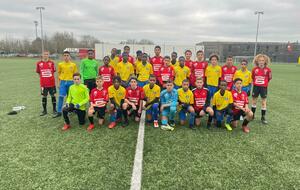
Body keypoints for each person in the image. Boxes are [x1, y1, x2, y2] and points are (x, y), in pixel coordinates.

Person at [53, 51, 78, 118]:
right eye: (65, 55)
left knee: (71, 97)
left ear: (69, 56)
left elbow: (75, 75)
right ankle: (59, 111)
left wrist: (75, 84)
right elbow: (58, 74)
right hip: (63, 82)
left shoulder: (73, 65)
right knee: (61, 96)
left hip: (71, 82)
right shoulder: (60, 64)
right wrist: (58, 83)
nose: (66, 57)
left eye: (67, 55)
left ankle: (71, 109)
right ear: (63, 56)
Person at [251, 54, 272, 124]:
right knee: (254, 101)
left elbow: (269, 78)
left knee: (263, 102)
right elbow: (253, 77)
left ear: (265, 61)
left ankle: (263, 117)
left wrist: (264, 83)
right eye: (260, 60)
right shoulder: (254, 69)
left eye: (263, 60)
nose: (261, 62)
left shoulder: (268, 70)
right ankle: (252, 115)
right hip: (256, 87)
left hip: (263, 87)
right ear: (257, 61)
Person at [36, 51, 57, 116]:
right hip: (43, 84)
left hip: (51, 83)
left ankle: (54, 110)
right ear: (42, 55)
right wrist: (43, 79)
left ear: (49, 55)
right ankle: (44, 110)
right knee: (44, 96)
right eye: (44, 54)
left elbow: (53, 72)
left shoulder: (52, 63)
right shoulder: (39, 63)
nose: (46, 55)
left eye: (47, 54)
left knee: (53, 96)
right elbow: (39, 73)